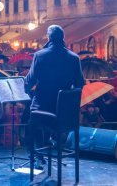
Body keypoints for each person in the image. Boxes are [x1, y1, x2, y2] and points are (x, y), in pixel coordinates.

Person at [25, 25, 85, 168]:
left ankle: (39, 156)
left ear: (49, 37)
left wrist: (30, 93)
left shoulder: (40, 55)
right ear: (63, 38)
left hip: (43, 108)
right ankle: (54, 138)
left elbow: (29, 81)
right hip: (65, 112)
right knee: (47, 121)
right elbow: (80, 84)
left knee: (32, 122)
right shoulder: (74, 58)